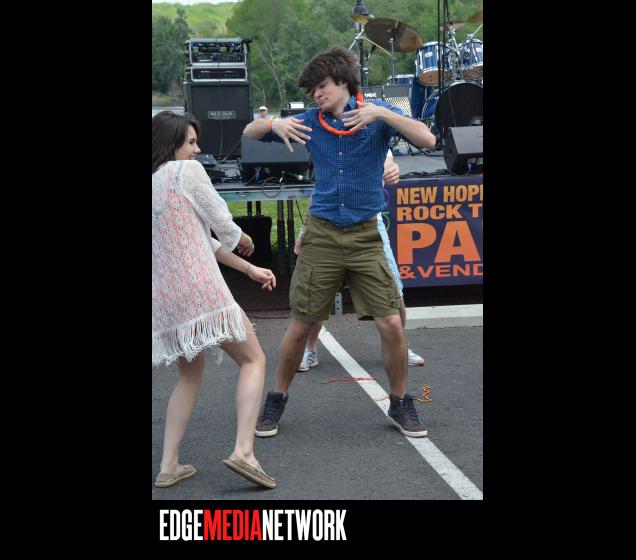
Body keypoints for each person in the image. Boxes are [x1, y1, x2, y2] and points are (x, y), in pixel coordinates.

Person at [243, 47, 436, 439]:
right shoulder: (309, 121)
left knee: (391, 323)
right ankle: (277, 397)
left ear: (344, 83)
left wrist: (382, 114)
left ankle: (401, 402)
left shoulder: (377, 114)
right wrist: (275, 123)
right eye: (313, 89)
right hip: (323, 234)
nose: (317, 93)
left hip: (366, 234)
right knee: (300, 324)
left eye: (322, 86)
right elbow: (249, 132)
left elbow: (429, 140)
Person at [152, 110, 278, 489]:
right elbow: (221, 222)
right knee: (254, 359)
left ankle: (168, 465)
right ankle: (244, 451)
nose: (197, 149)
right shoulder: (186, 172)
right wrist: (243, 238)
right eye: (191, 142)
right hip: (202, 291)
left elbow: (201, 240)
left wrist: (249, 270)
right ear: (171, 143)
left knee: (189, 376)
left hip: (168, 302)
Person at [295, 151, 425, 372]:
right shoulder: (329, 145)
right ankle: (309, 349)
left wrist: (392, 169)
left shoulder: (375, 138)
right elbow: (318, 194)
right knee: (316, 297)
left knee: (394, 293)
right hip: (327, 228)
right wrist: (303, 233)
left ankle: (399, 347)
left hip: (369, 227)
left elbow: (388, 160)